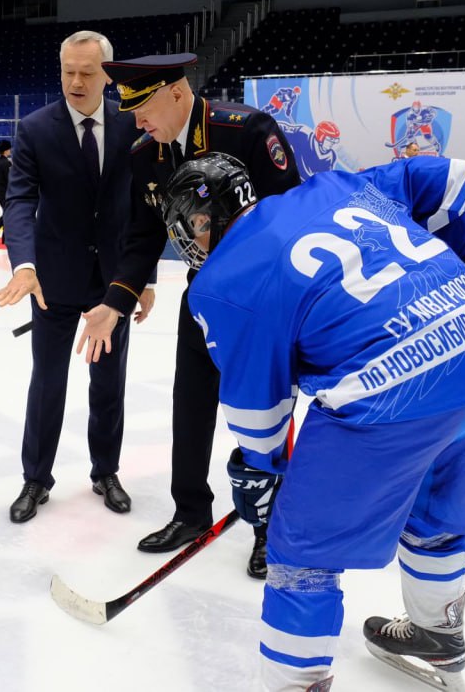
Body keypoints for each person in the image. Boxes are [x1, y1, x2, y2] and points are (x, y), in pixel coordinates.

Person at [159, 151, 465, 692]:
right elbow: (457, 177)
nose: (190, 240)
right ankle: (437, 636)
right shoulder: (332, 186)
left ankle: (296, 683)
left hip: (394, 395)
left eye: (190, 226)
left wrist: (260, 468)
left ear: (203, 220)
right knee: (439, 518)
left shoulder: (221, 279)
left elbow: (259, 405)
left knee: (301, 553)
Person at [75, 52, 300, 579]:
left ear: (177, 92)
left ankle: (274, 526)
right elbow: (144, 236)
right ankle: (191, 512)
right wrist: (115, 301)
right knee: (189, 404)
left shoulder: (246, 132)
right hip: (204, 297)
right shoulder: (143, 155)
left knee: (267, 414)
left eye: (143, 106)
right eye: (128, 109)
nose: (135, 119)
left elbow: (293, 217)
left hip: (265, 301)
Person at [0, 30, 147, 524]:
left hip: (113, 279)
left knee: (108, 381)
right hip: (52, 280)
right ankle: (35, 478)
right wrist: (25, 263)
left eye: (86, 71)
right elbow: (20, 201)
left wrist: (143, 279)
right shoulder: (35, 128)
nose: (76, 81)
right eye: (67, 71)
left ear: (107, 74)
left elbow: (147, 203)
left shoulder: (131, 123)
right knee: (48, 381)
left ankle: (106, 471)